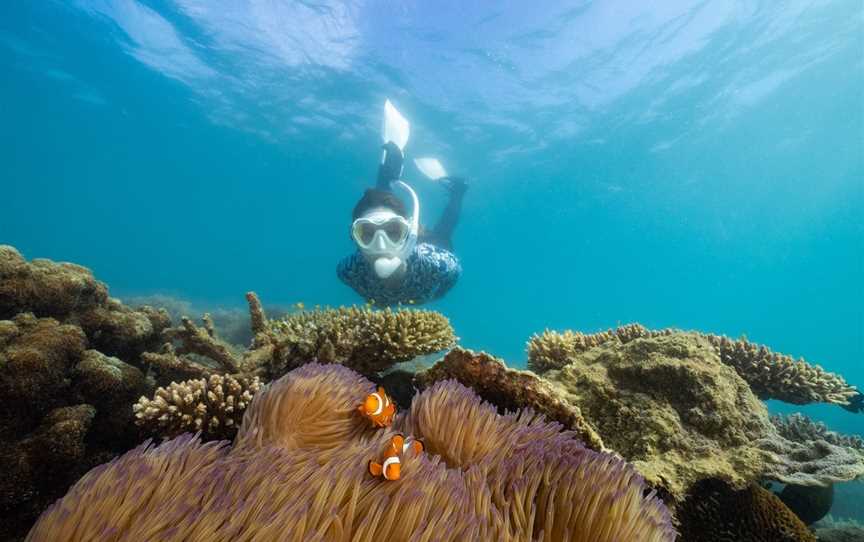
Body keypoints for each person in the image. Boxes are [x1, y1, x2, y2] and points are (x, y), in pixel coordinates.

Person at [337, 101, 467, 306]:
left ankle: (457, 192)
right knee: (380, 203)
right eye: (367, 234)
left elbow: (454, 274)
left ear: (409, 232)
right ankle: (392, 163)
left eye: (393, 231)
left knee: (443, 233)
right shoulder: (348, 270)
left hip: (428, 242)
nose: (381, 245)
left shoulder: (436, 263)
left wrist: (440, 293)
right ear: (355, 238)